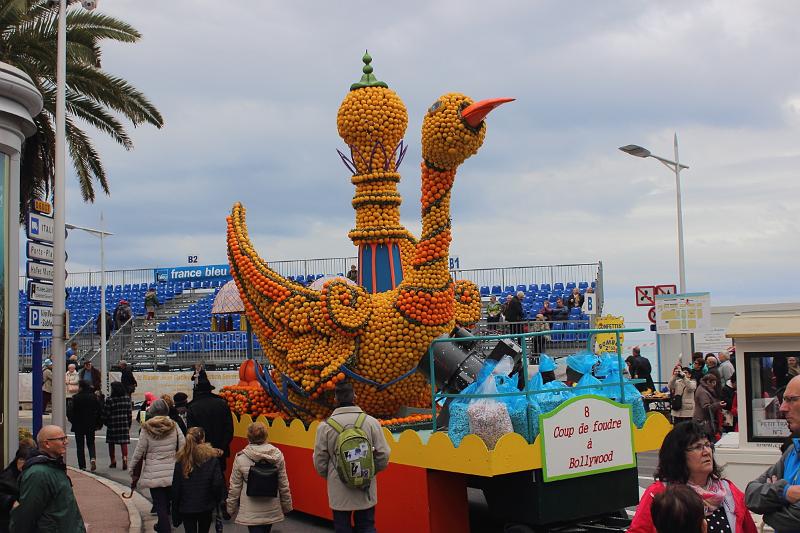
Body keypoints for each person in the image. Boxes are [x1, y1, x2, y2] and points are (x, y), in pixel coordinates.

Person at [628, 421, 756, 533]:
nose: (706, 452)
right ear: (679, 455)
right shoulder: (661, 493)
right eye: (698, 447)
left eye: (708, 445)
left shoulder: (728, 491)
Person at [313, 382, 390, 533]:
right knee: (366, 526)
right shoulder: (371, 422)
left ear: (335, 399)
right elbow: (384, 454)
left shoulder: (325, 427)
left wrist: (333, 475)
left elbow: (319, 461)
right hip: (365, 486)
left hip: (338, 486)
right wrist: (371, 471)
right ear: (355, 397)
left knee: (342, 528)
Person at [746, 374, 800, 531]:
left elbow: (794, 520)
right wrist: (784, 492)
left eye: (791, 399)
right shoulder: (792, 451)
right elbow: (750, 494)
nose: (782, 408)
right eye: (784, 400)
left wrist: (768, 512)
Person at [10, 426, 86, 532]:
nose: (66, 442)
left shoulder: (54, 466)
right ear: (47, 444)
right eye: (61, 439)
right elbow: (27, 513)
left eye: (65, 438)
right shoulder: (38, 474)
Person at [130, 399, 186, 533]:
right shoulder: (174, 425)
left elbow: (139, 451)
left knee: (160, 504)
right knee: (168, 503)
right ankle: (164, 526)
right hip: (172, 471)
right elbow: (183, 446)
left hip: (153, 472)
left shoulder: (146, 428)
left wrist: (132, 470)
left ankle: (164, 528)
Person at [227, 422, 293, 532]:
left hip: (251, 508)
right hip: (271, 506)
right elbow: (283, 482)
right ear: (266, 436)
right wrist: (287, 505)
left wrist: (230, 508)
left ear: (248, 437)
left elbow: (235, 486)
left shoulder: (241, 457)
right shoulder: (277, 455)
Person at [171, 427, 226, 533]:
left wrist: (175, 509)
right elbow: (217, 484)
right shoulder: (211, 459)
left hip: (186, 505)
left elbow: (176, 487)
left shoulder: (181, 459)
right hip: (206, 504)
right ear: (203, 439)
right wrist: (218, 499)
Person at [187, 374, 234, 471]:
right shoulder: (222, 404)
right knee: (220, 474)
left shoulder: (192, 407)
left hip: (201, 454)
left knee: (202, 476)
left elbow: (192, 433)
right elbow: (229, 429)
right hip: (220, 452)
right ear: (210, 390)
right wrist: (222, 447)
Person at [0, 440, 36, 533]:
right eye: (21, 459)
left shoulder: (35, 475)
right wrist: (11, 501)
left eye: (26, 460)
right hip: (9, 521)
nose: (23, 463)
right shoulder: (7, 476)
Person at [68, 381, 101, 472]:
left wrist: (73, 421)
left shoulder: (75, 398)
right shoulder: (94, 397)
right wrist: (97, 423)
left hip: (78, 424)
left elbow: (70, 411)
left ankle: (82, 466)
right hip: (90, 423)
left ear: (81, 387)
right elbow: (99, 410)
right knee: (91, 443)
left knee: (80, 446)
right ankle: (92, 458)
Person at [104, 381, 133, 469]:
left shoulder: (110, 399)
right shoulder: (127, 399)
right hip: (124, 423)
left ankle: (113, 460)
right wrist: (129, 423)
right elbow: (129, 413)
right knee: (123, 442)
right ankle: (124, 458)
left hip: (113, 423)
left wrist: (106, 422)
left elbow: (106, 413)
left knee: (111, 443)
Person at [693, 374, 725, 440]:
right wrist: (718, 405)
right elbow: (706, 407)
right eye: (713, 382)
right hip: (703, 421)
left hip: (704, 420)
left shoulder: (704, 389)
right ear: (708, 382)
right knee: (706, 440)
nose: (715, 384)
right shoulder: (703, 392)